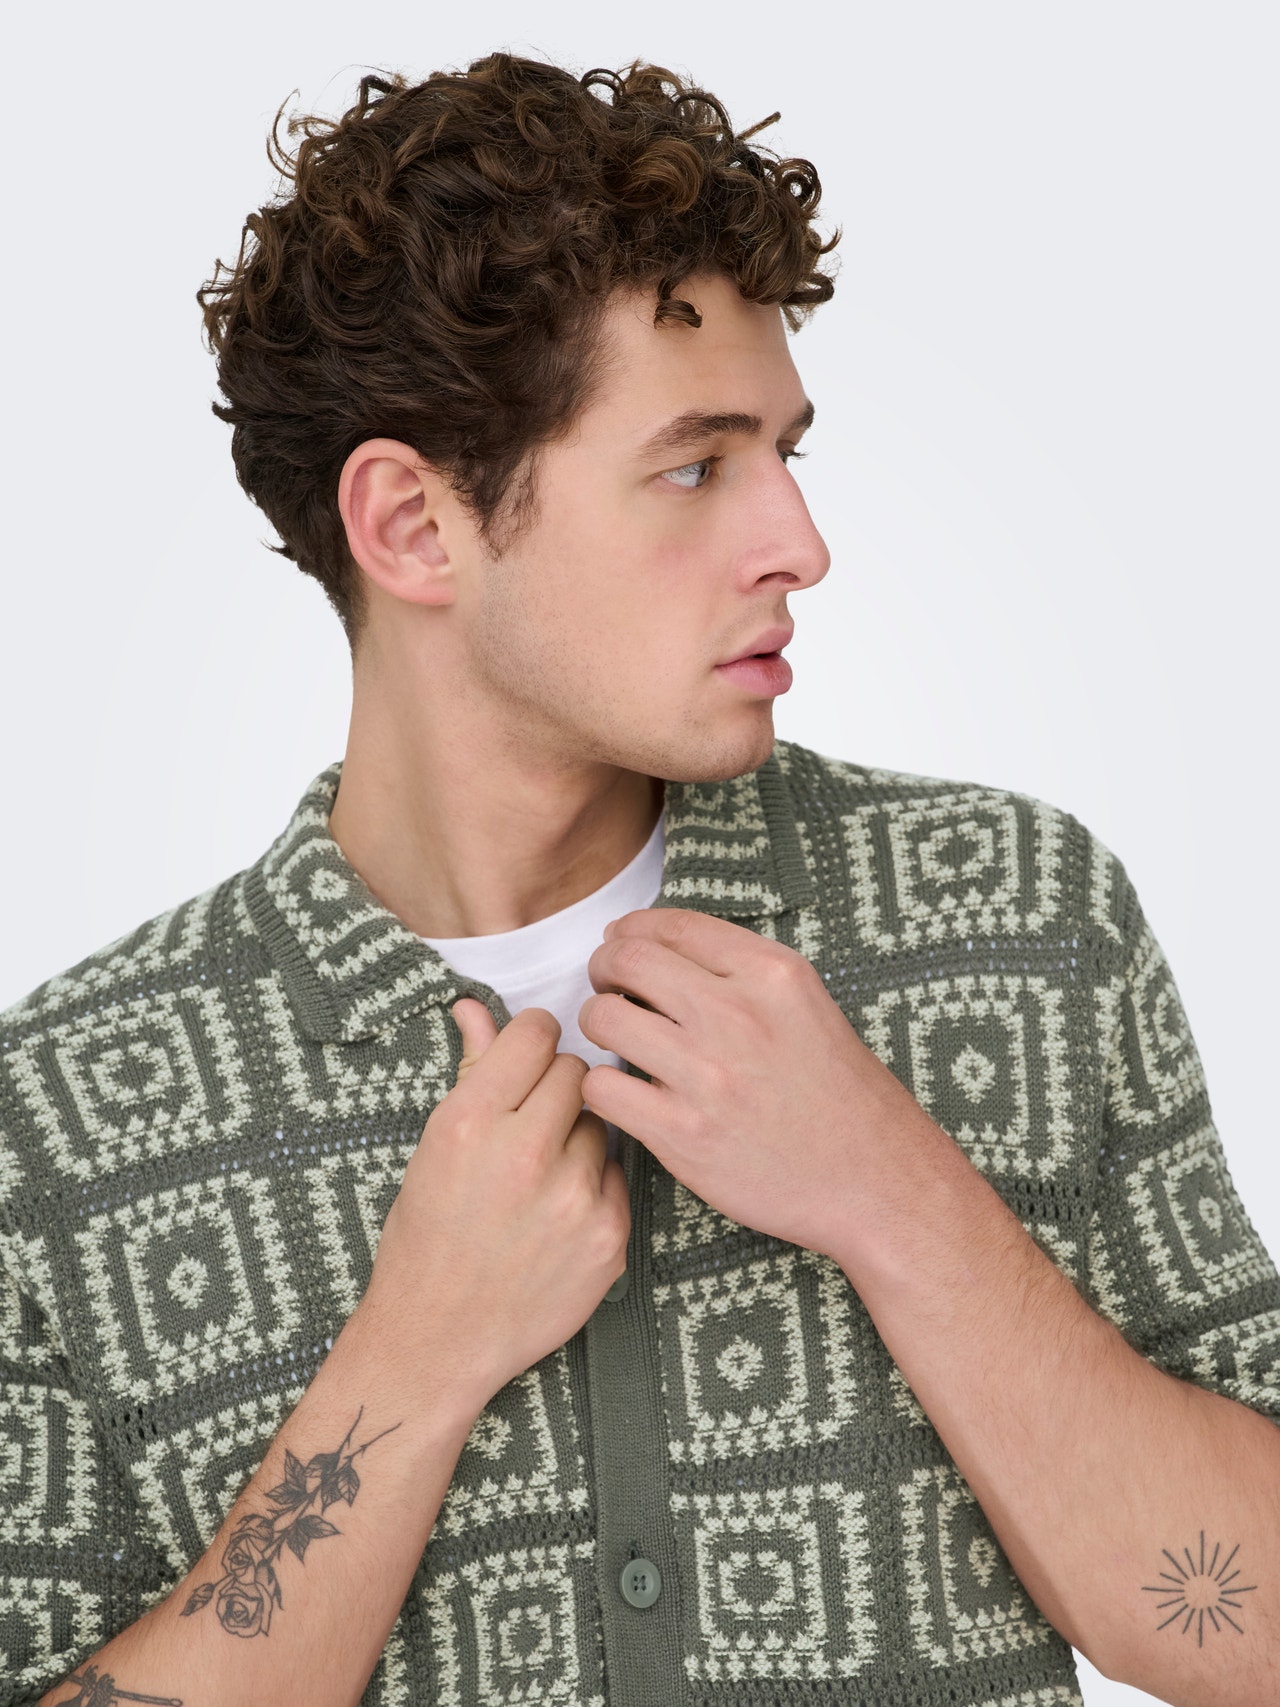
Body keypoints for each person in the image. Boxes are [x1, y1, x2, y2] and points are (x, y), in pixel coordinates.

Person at [1, 50, 1277, 1707]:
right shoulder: (69, 1113)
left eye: (787, 452)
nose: (799, 544)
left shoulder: (1018, 916)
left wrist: (898, 1201)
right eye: (695, 466)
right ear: (412, 527)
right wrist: (414, 1359)